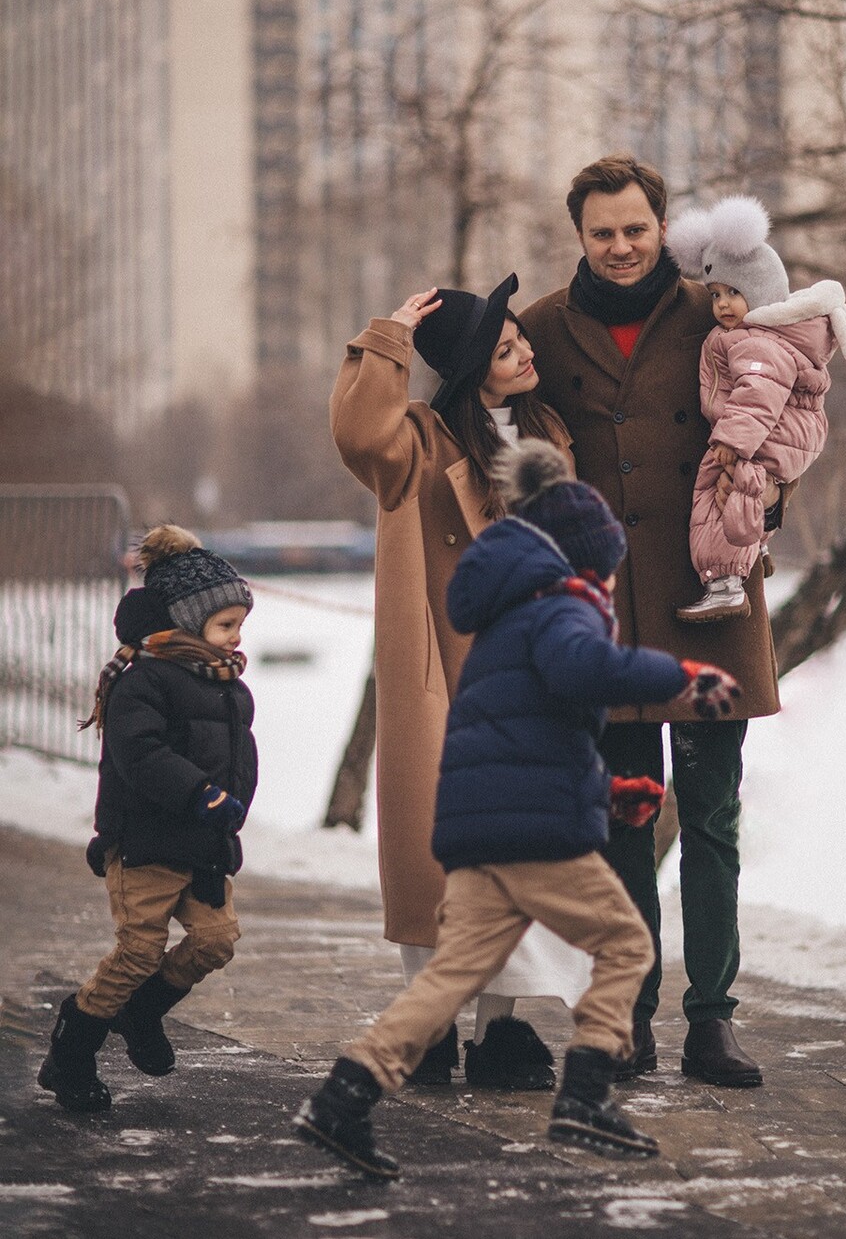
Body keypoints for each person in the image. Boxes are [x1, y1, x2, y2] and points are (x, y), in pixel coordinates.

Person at [293, 438, 742, 1179]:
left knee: (447, 978)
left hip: (478, 831)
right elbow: (584, 669)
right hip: (530, 837)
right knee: (628, 946)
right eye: (604, 571)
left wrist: (607, 793)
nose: (605, 590)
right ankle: (587, 1096)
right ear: (582, 562)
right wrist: (681, 676)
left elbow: (529, 740)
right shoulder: (563, 610)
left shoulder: (505, 620)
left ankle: (344, 1096)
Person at [520, 153, 788, 1089]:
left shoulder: (718, 306)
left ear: (661, 225)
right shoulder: (544, 329)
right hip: (612, 615)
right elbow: (491, 425)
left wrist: (763, 501)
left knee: (711, 819)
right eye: (604, 232)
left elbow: (782, 398)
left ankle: (711, 1022)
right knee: (626, 821)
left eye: (636, 228)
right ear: (581, 237)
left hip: (709, 593)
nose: (623, 246)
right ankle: (628, 1017)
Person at [330, 274, 594, 1091]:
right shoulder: (423, 444)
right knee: (440, 860)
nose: (524, 351)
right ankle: (432, 1023)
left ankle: (503, 1032)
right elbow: (357, 430)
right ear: (476, 366)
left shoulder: (547, 430)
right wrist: (389, 339)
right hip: (444, 675)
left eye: (521, 338)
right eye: (506, 346)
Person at [37, 526, 257, 1113]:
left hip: (204, 845)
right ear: (186, 623)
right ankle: (73, 1049)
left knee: (215, 941)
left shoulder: (229, 686)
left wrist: (229, 815)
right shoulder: (144, 682)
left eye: (240, 624)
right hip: (146, 843)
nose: (237, 637)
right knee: (139, 951)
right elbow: (140, 756)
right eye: (226, 625)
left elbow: (238, 759)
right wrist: (201, 795)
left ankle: (142, 1011)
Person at [669, 195, 846, 621]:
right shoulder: (749, 334)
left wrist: (731, 440)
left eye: (734, 292)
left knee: (714, 492)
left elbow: (760, 392)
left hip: (768, 434)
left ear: (758, 293)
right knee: (740, 494)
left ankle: (724, 581)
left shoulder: (755, 339)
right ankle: (751, 550)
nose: (721, 304)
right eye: (715, 293)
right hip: (779, 436)